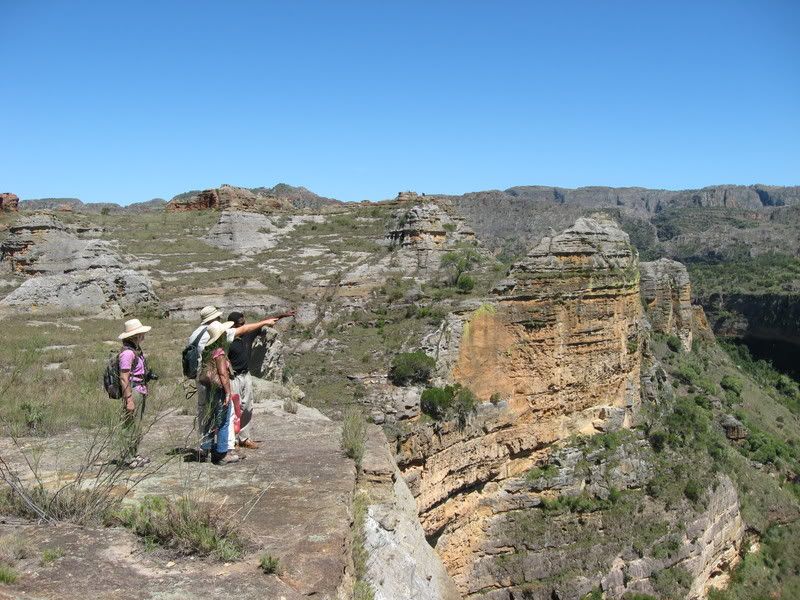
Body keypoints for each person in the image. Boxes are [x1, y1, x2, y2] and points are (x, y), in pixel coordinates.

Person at [226, 311, 282, 449]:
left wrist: (283, 315)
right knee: (233, 409)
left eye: (244, 322)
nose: (244, 325)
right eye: (241, 323)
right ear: (233, 324)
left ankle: (244, 438)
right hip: (233, 377)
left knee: (247, 407)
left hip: (246, 375)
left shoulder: (248, 334)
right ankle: (232, 440)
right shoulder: (227, 338)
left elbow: (265, 320)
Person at [198, 320, 239, 464]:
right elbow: (222, 374)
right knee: (223, 421)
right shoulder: (219, 352)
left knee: (209, 419)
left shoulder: (207, 350)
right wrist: (228, 392)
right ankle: (222, 454)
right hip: (219, 391)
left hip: (210, 389)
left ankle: (206, 450)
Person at [118, 318, 153, 468]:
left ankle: (133, 454)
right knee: (130, 425)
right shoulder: (127, 354)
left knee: (136, 424)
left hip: (139, 389)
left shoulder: (135, 351)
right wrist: (129, 399)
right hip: (133, 391)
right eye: (141, 333)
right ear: (135, 336)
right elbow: (124, 378)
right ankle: (128, 457)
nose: (144, 335)